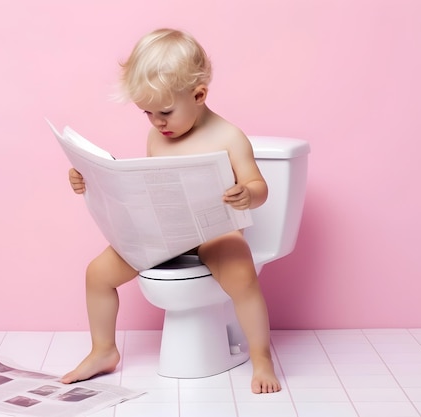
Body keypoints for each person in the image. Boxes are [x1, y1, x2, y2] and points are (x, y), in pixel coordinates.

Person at [61, 28, 281, 394]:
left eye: (164, 111)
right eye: (146, 112)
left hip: (215, 234)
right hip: (167, 234)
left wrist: (248, 194)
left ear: (198, 95)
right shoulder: (157, 136)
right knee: (97, 274)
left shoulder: (229, 137)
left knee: (242, 278)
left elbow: (259, 187)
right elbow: (149, 188)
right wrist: (93, 182)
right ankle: (103, 350)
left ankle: (261, 358)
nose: (156, 123)